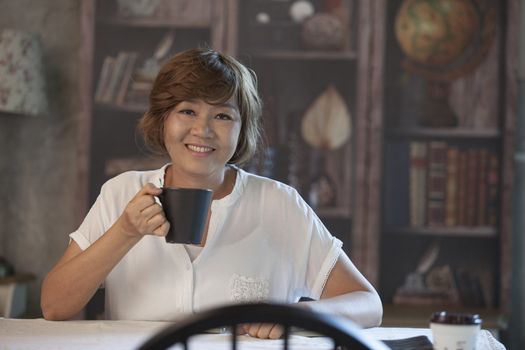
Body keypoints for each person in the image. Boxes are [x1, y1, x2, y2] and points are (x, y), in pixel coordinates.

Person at [41, 48, 382, 339]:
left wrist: (294, 319)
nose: (202, 130)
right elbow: (55, 306)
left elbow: (367, 303)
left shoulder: (279, 203)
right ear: (163, 120)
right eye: (187, 111)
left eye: (222, 115)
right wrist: (125, 232)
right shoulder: (121, 192)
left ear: (241, 129)